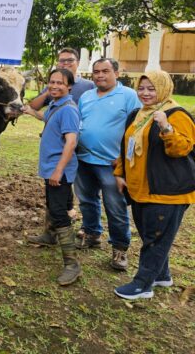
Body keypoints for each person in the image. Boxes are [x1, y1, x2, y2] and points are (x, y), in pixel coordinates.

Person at [113, 71, 195, 300]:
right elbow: (126, 146)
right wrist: (120, 173)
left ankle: (143, 284)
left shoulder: (177, 114)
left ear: (164, 88)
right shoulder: (138, 114)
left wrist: (166, 128)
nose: (145, 93)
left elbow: (182, 149)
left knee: (155, 239)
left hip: (167, 192)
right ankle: (162, 275)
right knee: (153, 236)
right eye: (142, 88)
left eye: (151, 88)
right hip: (140, 189)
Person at [74, 58, 141, 271]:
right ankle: (92, 233)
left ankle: (120, 248)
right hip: (83, 159)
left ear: (117, 73)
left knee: (115, 205)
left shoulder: (129, 96)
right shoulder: (86, 96)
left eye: (105, 71)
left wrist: (124, 156)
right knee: (86, 200)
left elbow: (138, 128)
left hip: (112, 164)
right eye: (96, 72)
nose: (100, 75)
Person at [23, 69, 81, 285]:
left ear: (69, 87)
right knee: (54, 204)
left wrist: (58, 170)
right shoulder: (56, 105)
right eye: (52, 82)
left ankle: (72, 265)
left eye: (60, 83)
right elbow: (45, 116)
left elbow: (71, 142)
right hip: (51, 168)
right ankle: (49, 236)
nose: (54, 86)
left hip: (59, 169)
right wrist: (30, 111)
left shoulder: (69, 110)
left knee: (58, 212)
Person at [27, 48, 94, 110]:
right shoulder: (52, 85)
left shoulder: (90, 86)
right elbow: (33, 107)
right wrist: (47, 93)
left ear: (78, 63)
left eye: (70, 60)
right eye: (62, 60)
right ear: (58, 64)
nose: (66, 63)